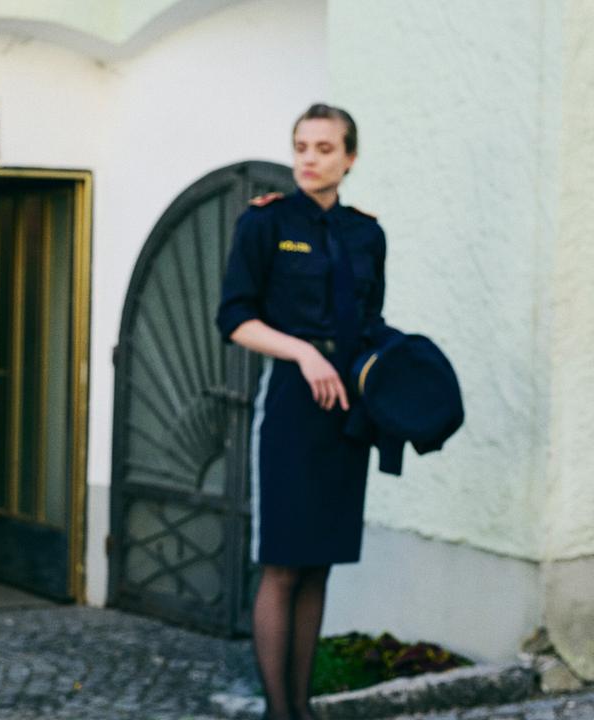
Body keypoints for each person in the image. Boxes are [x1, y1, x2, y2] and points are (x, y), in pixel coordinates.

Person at [216, 104, 386, 720]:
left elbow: (372, 323)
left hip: (347, 409)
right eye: (301, 147)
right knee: (285, 563)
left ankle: (303, 708)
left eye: (322, 148)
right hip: (291, 402)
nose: (309, 159)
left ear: (349, 158)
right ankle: (279, 712)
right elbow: (234, 319)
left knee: (320, 563)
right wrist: (304, 354)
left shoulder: (367, 232)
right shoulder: (264, 224)